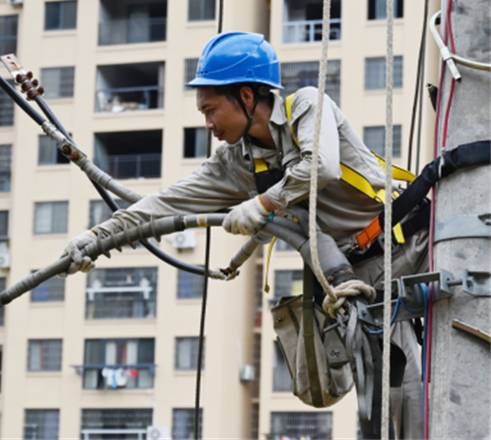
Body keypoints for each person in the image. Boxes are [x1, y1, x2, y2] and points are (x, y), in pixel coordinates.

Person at [62, 32, 428, 439]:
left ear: (247, 97)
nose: (208, 123)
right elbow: (163, 204)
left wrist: (263, 205)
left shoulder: (306, 106)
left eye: (212, 109)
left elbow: (320, 167)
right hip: (366, 275)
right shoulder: (237, 163)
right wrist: (96, 239)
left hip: (416, 238)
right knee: (402, 399)